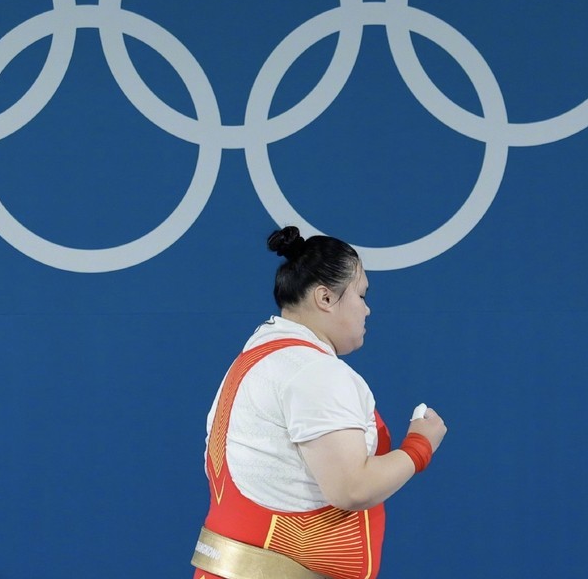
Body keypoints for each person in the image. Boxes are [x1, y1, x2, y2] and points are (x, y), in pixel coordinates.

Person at [190, 226, 448, 579]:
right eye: (361, 295)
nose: (367, 310)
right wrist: (420, 446)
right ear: (325, 298)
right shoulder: (312, 371)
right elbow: (351, 488)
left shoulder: (256, 358)